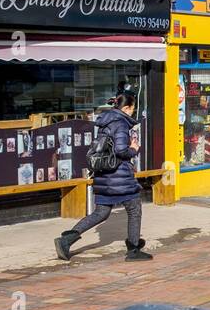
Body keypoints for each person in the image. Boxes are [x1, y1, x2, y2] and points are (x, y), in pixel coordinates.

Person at [54, 92, 151, 261]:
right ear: (126, 108)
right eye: (132, 109)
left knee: (101, 212)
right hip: (119, 177)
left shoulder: (106, 121)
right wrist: (134, 148)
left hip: (104, 174)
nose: (132, 113)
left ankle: (66, 240)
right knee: (135, 208)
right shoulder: (120, 123)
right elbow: (121, 150)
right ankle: (133, 250)